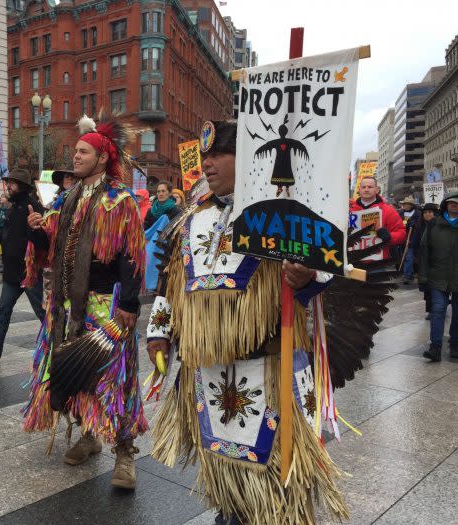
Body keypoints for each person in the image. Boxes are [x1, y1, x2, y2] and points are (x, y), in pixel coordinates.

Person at [146, 122, 350, 524]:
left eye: (217, 155)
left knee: (276, 482)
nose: (207, 164)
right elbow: (171, 281)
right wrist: (159, 332)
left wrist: (305, 277)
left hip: (269, 366)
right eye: (204, 157)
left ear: (246, 158)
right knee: (226, 476)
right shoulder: (192, 217)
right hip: (209, 373)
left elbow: (327, 272)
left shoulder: (284, 213)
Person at [23, 114, 147, 490]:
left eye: (82, 151)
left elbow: (132, 256)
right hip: (66, 305)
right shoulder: (68, 197)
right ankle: (90, 435)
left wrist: (128, 304)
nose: (74, 157)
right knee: (73, 373)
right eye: (75, 151)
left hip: (106, 304)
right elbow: (54, 247)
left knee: (114, 378)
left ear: (102, 157)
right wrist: (38, 232)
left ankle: (125, 454)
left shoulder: (120, 201)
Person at [0, 169, 45, 365]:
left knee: (43, 314)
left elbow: (42, 239)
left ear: (21, 186)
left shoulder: (33, 207)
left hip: (29, 272)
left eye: (12, 183)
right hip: (12, 273)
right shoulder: (12, 207)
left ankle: (60, 349)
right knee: (2, 313)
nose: (8, 186)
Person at [419, 192, 458, 362]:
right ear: (445, 204)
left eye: (457, 203)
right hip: (437, 276)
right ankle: (435, 346)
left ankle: (456, 344)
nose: (454, 205)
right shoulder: (434, 224)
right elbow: (424, 251)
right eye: (451, 202)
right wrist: (423, 278)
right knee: (438, 310)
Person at [349, 176, 406, 260]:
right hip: (353, 263)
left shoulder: (388, 210)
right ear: (359, 190)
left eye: (370, 187)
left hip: (378, 264)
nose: (366, 189)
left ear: (376, 189)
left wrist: (390, 236)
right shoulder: (349, 211)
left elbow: (401, 233)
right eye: (363, 187)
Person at [417, 203, 439, 319]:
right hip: (423, 262)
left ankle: (435, 310)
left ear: (435, 213)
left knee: (434, 288)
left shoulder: (438, 226)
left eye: (429, 212)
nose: (427, 214)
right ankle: (431, 310)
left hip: (435, 263)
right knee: (427, 289)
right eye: (425, 212)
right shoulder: (421, 226)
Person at [399, 196, 420, 283]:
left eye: (405, 204)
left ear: (410, 205)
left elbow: (419, 227)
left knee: (408, 257)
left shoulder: (417, 214)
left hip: (411, 239)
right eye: (403, 204)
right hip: (401, 239)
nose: (403, 206)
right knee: (404, 257)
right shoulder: (401, 213)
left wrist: (414, 224)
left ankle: (406, 275)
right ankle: (410, 274)